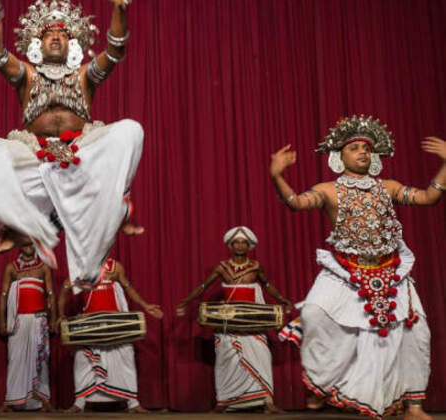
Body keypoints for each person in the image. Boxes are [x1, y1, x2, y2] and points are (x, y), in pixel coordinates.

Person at [269, 115, 446, 420]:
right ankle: (322, 384)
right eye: (355, 148)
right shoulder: (328, 190)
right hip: (344, 271)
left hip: (390, 272)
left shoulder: (388, 187)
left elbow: (429, 198)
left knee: (416, 333)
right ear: (340, 157)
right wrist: (277, 176)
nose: (363, 152)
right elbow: (296, 203)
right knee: (313, 314)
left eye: (367, 148)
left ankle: (414, 406)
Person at [0, 0, 143, 291]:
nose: (56, 37)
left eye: (62, 33)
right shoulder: (27, 75)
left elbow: (115, 51)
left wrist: (120, 8)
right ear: (38, 43)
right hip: (35, 156)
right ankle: (29, 227)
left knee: (131, 130)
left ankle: (111, 209)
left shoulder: (84, 75)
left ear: (72, 43)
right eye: (49, 33)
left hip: (80, 155)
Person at [176, 226, 291, 414]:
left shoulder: (255, 266)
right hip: (228, 319)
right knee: (226, 358)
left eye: (243, 242)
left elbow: (267, 285)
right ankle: (224, 401)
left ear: (249, 246)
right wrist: (187, 301)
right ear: (230, 246)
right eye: (236, 242)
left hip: (252, 320)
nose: (239, 245)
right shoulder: (222, 267)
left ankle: (267, 401)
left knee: (261, 354)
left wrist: (282, 299)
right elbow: (204, 285)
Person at [56, 256, 162, 413]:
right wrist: (61, 315)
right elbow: (64, 290)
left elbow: (129, 289)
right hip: (91, 325)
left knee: (126, 356)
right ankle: (79, 403)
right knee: (82, 360)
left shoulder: (115, 267)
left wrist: (146, 306)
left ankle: (133, 403)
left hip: (115, 325)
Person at [0, 242, 55, 412]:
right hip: (18, 321)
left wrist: (53, 319)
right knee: (16, 359)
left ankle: (43, 400)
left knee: (40, 360)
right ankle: (10, 400)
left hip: (38, 319)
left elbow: (50, 294)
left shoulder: (43, 267)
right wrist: (2, 320)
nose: (29, 246)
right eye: (25, 243)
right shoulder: (11, 268)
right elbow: (3, 295)